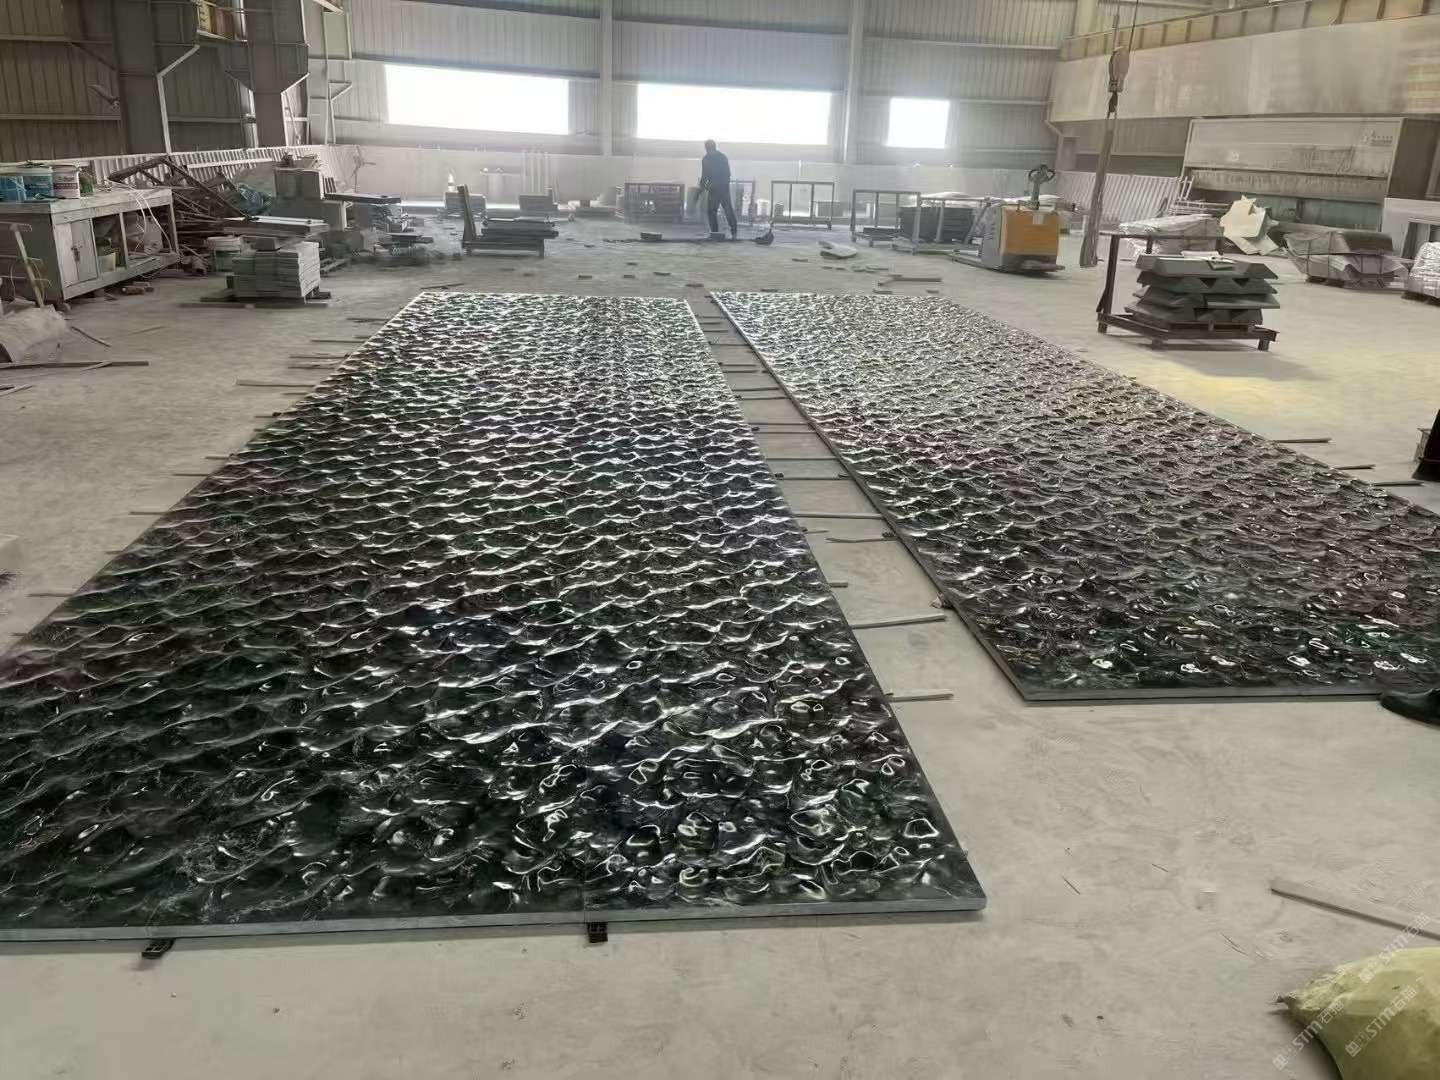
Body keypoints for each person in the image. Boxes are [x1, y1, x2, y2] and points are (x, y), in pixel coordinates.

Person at [698, 139, 737, 239]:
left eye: (707, 148)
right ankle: (718, 233)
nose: (707, 150)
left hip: (721, 188)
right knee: (715, 211)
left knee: (722, 210)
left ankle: (729, 233)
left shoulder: (711, 159)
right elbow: (705, 176)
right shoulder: (714, 158)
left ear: (708, 148)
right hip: (718, 189)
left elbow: (725, 174)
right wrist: (703, 187)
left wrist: (704, 187)